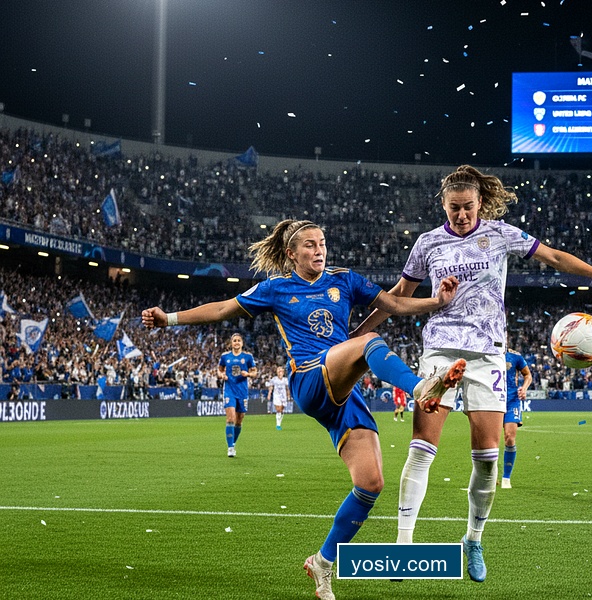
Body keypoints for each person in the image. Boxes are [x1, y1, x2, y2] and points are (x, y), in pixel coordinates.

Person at [141, 219, 465, 600]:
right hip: (310, 379)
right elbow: (223, 309)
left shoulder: (344, 279)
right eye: (309, 245)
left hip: (343, 393)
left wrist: (437, 302)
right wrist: (171, 319)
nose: (319, 250)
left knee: (371, 483)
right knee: (369, 341)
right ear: (292, 254)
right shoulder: (276, 288)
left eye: (322, 242)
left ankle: (322, 563)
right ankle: (420, 387)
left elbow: (392, 303)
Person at [353, 164, 592, 582]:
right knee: (420, 448)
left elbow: (553, 256)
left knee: (486, 459)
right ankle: (403, 545)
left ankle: (473, 538)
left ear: (480, 203)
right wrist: (355, 338)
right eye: (454, 208)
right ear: (443, 205)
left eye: (467, 207)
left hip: (488, 355)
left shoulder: (501, 234)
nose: (461, 215)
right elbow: (396, 297)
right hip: (440, 349)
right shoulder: (428, 243)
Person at [218, 332, 257, 457]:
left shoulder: (248, 357)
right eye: (234, 340)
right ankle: (230, 448)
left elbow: (255, 371)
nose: (236, 342)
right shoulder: (225, 357)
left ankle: (233, 443)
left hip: (242, 391)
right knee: (230, 418)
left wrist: (249, 375)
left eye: (239, 340)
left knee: (239, 420)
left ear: (242, 343)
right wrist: (222, 375)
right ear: (231, 343)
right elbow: (219, 369)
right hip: (229, 389)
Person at [500, 348, 532, 489]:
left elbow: (528, 375)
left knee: (509, 437)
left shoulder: (515, 356)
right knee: (490, 440)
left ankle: (506, 478)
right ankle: (490, 474)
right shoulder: (486, 353)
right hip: (491, 400)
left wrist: (524, 388)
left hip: (512, 399)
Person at [268, 365, 290, 430]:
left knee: (281, 410)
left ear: (283, 372)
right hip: (276, 395)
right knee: (278, 409)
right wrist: (269, 394)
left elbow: (287, 388)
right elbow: (271, 386)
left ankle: (279, 423)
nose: (280, 372)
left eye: (281, 370)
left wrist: (288, 395)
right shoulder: (274, 379)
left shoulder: (285, 380)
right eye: (278, 370)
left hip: (283, 396)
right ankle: (278, 425)